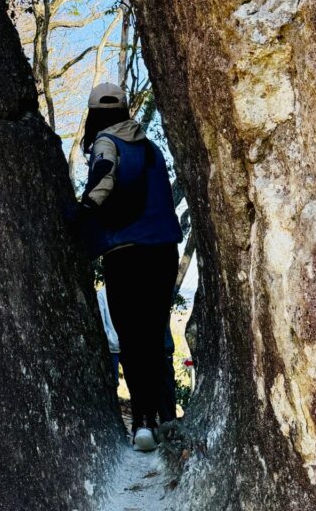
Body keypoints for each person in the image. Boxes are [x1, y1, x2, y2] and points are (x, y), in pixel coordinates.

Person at [78, 82, 182, 452]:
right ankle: (166, 416)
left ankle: (142, 424)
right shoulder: (151, 148)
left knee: (132, 339)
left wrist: (80, 214)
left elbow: (103, 180)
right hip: (164, 249)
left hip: (126, 252)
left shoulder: (106, 140)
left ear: (95, 113)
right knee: (154, 335)